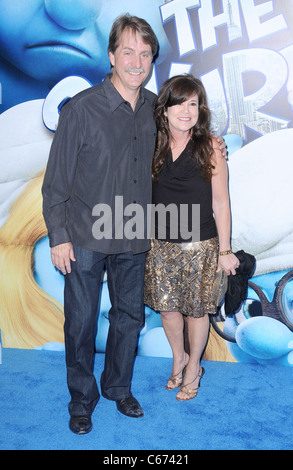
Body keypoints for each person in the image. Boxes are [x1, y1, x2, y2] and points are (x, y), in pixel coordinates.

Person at [42, 14, 227, 434]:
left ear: (151, 61)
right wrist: (59, 237)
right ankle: (81, 400)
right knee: (82, 321)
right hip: (86, 236)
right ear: (112, 56)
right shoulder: (81, 110)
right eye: (128, 51)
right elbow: (56, 184)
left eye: (145, 54)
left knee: (130, 317)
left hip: (135, 235)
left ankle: (118, 388)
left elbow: (187, 135)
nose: (136, 61)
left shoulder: (155, 113)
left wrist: (215, 145)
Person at [144, 74, 239, 401]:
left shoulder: (211, 145)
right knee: (168, 310)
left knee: (197, 311)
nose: (186, 110)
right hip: (160, 244)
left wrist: (224, 249)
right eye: (179, 103)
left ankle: (194, 366)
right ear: (165, 108)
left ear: (201, 109)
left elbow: (221, 200)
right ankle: (179, 358)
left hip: (200, 243)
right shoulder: (151, 142)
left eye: (193, 104)